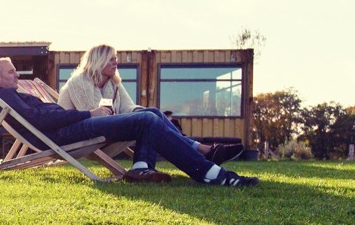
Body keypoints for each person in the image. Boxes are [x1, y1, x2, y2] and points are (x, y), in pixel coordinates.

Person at [0, 57, 257, 186]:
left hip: (69, 128)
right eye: (11, 72)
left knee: (147, 115)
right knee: (147, 119)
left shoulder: (11, 94)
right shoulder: (5, 95)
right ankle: (211, 174)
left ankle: (143, 167)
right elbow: (40, 120)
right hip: (66, 135)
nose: (16, 75)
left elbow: (44, 115)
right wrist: (89, 114)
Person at [59, 44, 242, 165]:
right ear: (98, 61)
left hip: (107, 133)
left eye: (116, 58)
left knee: (152, 113)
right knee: (149, 118)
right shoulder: (78, 82)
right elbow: (92, 117)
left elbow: (129, 108)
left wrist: (149, 116)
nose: (116, 62)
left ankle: (145, 166)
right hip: (84, 137)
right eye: (111, 59)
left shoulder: (113, 83)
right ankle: (202, 151)